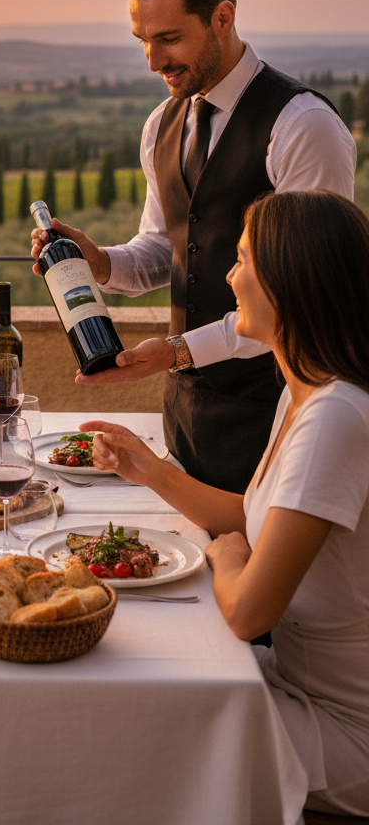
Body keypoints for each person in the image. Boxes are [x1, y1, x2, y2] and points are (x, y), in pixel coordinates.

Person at [31, 0, 355, 492]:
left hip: (278, 414)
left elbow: (306, 298)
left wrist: (176, 351)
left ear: (223, 17)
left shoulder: (303, 125)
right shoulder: (161, 124)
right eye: (142, 41)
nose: (154, 61)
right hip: (184, 416)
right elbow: (167, 247)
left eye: (169, 38)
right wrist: (101, 261)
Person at [87, 190, 369, 815]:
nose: (229, 276)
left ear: (290, 281)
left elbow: (244, 612)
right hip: (293, 687)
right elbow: (254, 515)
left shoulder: (335, 418)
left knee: (132, 732)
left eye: (243, 260)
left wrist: (226, 557)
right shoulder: (305, 392)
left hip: (348, 731)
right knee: (130, 683)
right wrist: (151, 470)